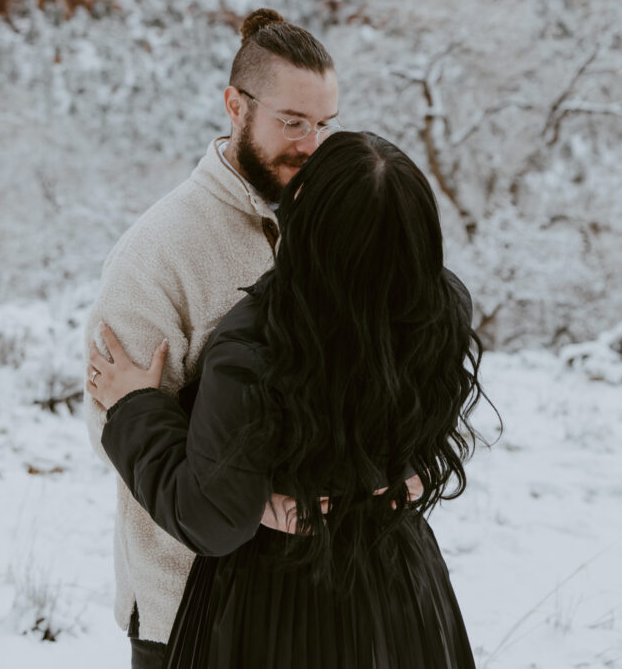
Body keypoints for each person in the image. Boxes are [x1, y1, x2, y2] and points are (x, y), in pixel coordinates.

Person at [87, 131, 494, 668]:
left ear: (304, 219)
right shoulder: (442, 308)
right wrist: (405, 471)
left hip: (275, 605)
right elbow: (409, 408)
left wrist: (135, 407)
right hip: (398, 589)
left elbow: (211, 518)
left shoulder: (257, 342)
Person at [83, 8, 341, 667]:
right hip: (188, 610)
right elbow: (115, 421)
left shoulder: (333, 227)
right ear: (234, 105)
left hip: (316, 601)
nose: (310, 145)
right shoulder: (158, 250)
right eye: (291, 122)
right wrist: (247, 501)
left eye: (321, 125)